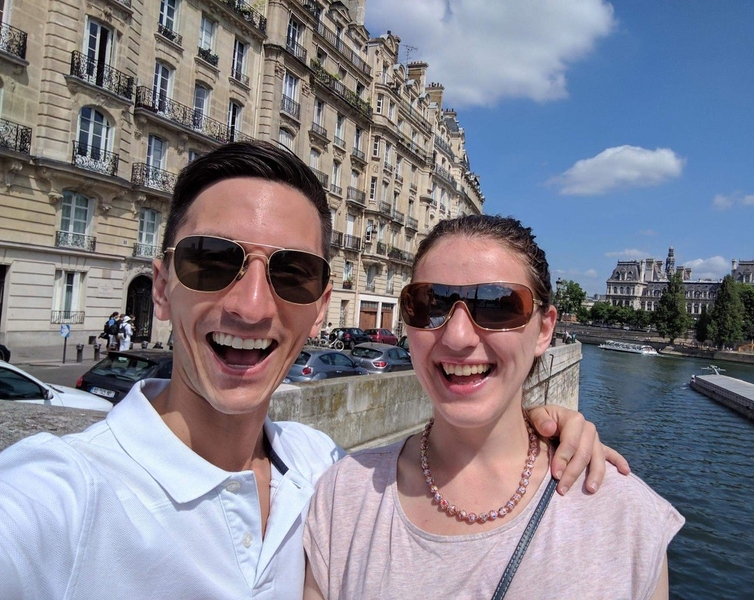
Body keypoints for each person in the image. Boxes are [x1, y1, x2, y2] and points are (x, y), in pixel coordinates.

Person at [0, 142, 622, 599]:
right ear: (162, 289)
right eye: (212, 263)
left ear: (320, 306)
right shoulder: (58, 497)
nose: (249, 305)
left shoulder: (324, 471)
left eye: (292, 273)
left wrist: (545, 424)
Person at [303, 215, 683, 599]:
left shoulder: (628, 519)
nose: (457, 336)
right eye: (430, 304)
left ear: (545, 330)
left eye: (498, 306)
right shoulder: (341, 497)